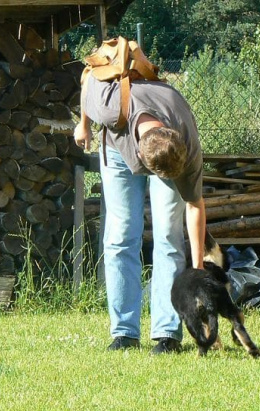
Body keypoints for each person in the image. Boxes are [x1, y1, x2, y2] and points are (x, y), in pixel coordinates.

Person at [74, 59, 206, 355]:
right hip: (118, 146)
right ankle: (124, 332)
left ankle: (167, 334)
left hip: (165, 147)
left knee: (168, 237)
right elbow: (88, 80)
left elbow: (195, 204)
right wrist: (83, 126)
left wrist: (198, 269)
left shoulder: (185, 145)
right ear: (142, 160)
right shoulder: (110, 106)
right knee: (121, 235)